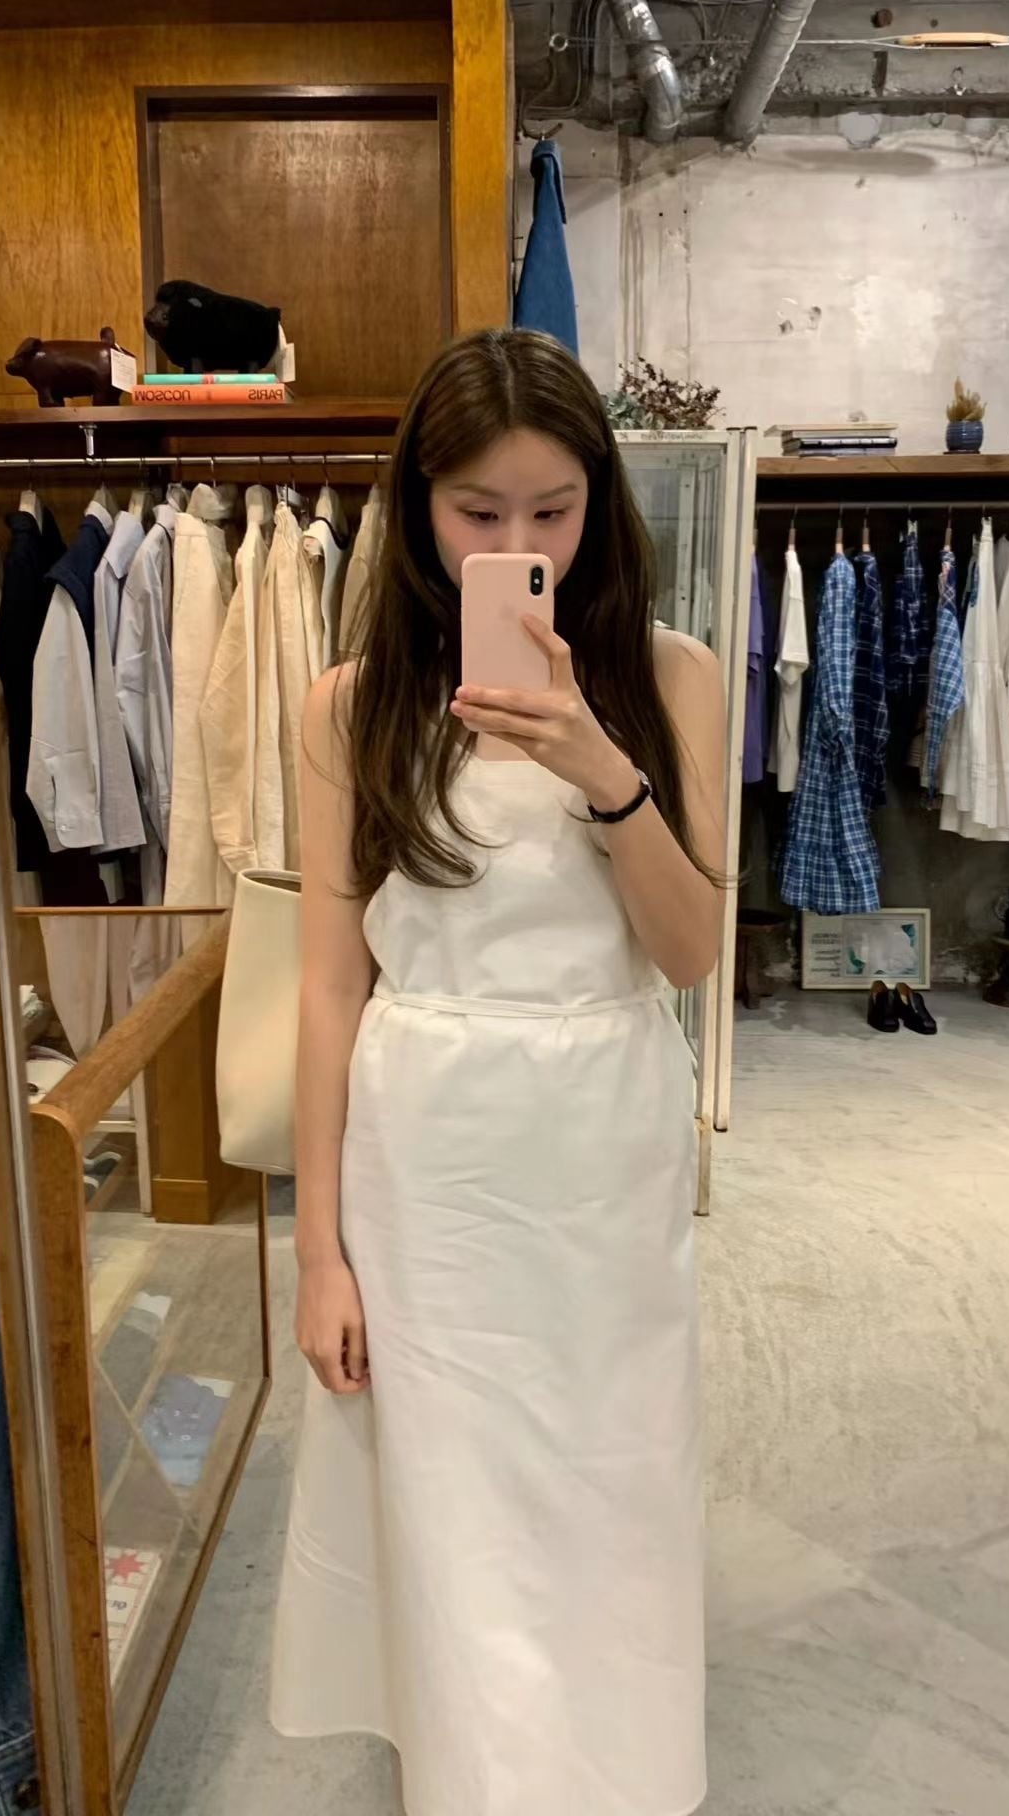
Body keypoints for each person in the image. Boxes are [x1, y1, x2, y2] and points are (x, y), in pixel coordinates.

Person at [269, 328, 724, 1816]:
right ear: (418, 507)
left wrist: (606, 772)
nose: (517, 544)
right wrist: (318, 1253)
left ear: (601, 505)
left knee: (612, 1471)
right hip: (430, 1153)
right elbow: (330, 987)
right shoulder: (352, 709)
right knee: (449, 1496)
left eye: (552, 510)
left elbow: (688, 954)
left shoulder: (671, 679)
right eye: (478, 511)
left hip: (603, 1137)